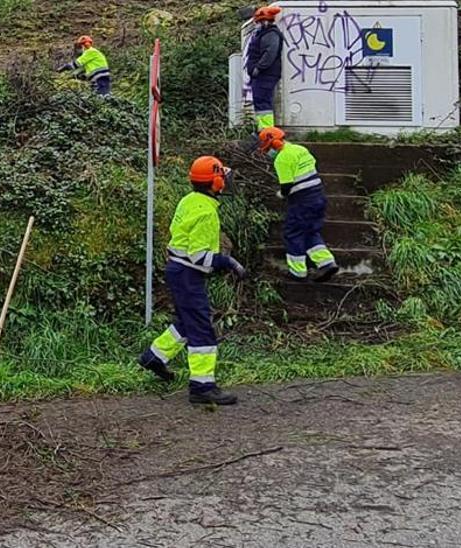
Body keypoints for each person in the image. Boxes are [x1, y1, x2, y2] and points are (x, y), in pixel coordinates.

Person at [138, 157, 246, 405]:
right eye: (222, 178)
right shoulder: (207, 211)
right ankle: (202, 386)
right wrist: (229, 263)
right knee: (202, 328)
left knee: (188, 320)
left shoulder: (190, 200)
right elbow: (199, 256)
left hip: (177, 270)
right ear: (215, 182)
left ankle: (154, 357)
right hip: (188, 273)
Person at [258, 126, 339, 282]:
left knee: (293, 232)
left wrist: (281, 194)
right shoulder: (300, 149)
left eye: (268, 149)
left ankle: (298, 272)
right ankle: (326, 263)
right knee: (310, 231)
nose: (268, 152)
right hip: (318, 196)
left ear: (274, 144)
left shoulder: (281, 159)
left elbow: (287, 185)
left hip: (302, 201)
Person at [246, 6, 283, 131]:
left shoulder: (270, 34)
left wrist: (258, 68)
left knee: (263, 103)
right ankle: (263, 130)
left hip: (265, 74)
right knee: (261, 102)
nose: (257, 24)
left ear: (264, 21)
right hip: (262, 74)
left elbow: (269, 53)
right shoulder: (265, 33)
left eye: (258, 22)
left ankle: (266, 131)